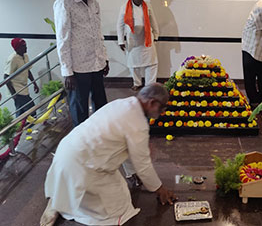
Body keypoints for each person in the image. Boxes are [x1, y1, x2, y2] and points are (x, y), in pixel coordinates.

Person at [40, 83, 177, 226]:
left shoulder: (122, 103)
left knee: (119, 184)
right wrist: (160, 189)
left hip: (66, 151)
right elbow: (143, 164)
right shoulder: (138, 124)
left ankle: (60, 198)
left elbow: (128, 150)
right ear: (152, 103)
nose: (162, 112)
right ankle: (63, 204)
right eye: (162, 108)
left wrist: (132, 173)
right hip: (83, 166)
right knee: (118, 209)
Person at [54, 0, 109, 127]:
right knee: (79, 107)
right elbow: (62, 39)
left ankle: (101, 134)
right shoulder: (65, 2)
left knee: (101, 103)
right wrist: (67, 72)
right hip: (78, 68)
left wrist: (104, 59)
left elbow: (98, 33)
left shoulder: (93, 2)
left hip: (96, 64)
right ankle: (81, 141)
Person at [117, 0, 160, 91]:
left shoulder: (148, 5)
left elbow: (153, 21)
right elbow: (120, 25)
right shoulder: (124, 7)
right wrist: (121, 41)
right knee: (133, 63)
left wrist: (156, 35)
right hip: (133, 40)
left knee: (152, 62)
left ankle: (150, 84)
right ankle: (137, 82)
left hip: (147, 38)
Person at [4, 38, 39, 117]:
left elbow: (28, 71)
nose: (26, 48)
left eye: (25, 45)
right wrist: (14, 94)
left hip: (24, 87)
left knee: (21, 111)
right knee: (30, 108)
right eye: (23, 46)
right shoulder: (13, 59)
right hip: (16, 89)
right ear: (17, 48)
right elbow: (6, 77)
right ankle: (28, 126)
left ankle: (20, 128)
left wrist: (34, 84)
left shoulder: (25, 56)